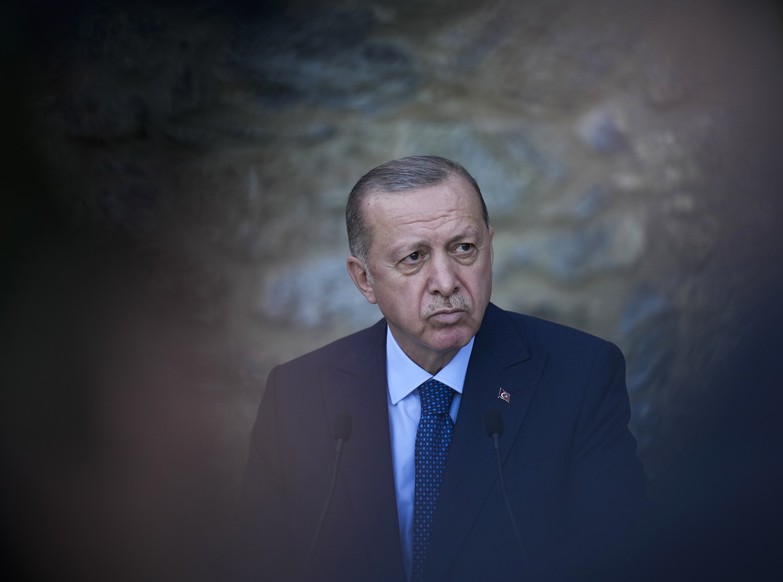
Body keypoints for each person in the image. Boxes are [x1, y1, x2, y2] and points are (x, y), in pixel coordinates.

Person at [233, 156, 646, 581]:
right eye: (413, 257)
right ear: (364, 280)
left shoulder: (580, 375)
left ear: (490, 247)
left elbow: (620, 559)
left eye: (463, 248)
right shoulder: (298, 396)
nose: (446, 282)